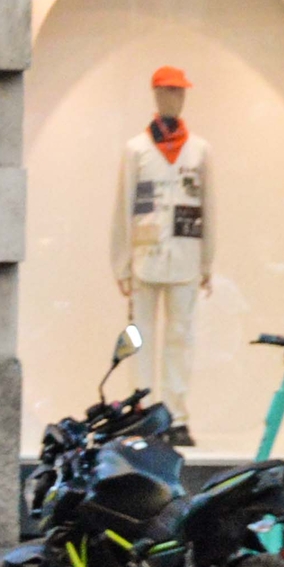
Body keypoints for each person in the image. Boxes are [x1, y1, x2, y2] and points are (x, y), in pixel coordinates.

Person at [110, 67, 212, 446]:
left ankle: (177, 415)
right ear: (155, 94)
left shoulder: (199, 151)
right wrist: (121, 263)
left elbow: (209, 208)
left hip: (185, 258)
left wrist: (207, 263)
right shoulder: (136, 150)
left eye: (180, 92)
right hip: (144, 260)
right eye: (167, 91)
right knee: (141, 337)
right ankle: (142, 410)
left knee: (180, 338)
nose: (174, 98)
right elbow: (123, 209)